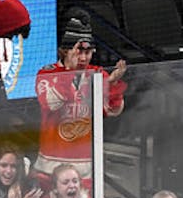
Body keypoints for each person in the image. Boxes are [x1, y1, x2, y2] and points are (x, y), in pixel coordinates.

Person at [34, 16, 126, 176]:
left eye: (88, 52)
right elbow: (51, 104)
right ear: (65, 51)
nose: (83, 58)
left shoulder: (97, 74)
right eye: (78, 51)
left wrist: (111, 84)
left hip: (85, 170)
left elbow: (113, 111)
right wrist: (68, 72)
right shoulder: (46, 73)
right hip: (49, 167)